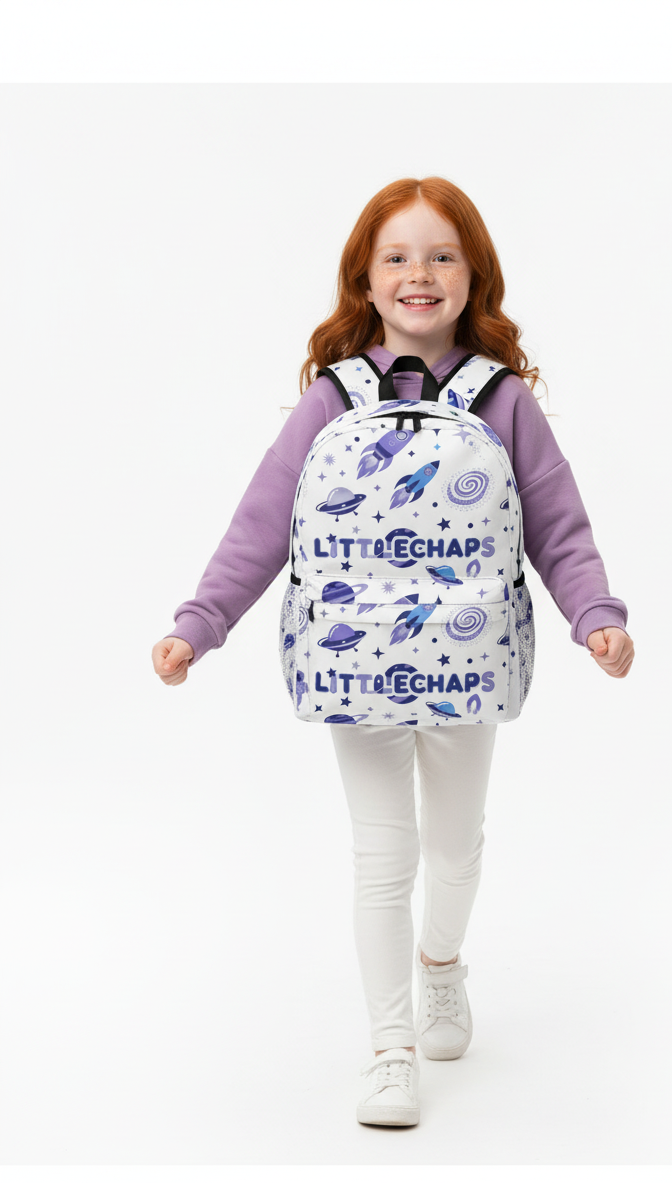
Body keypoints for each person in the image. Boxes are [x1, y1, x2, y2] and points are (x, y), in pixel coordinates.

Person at [151, 177, 635, 1129]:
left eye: (443, 255)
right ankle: (390, 1049)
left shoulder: (501, 399)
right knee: (385, 855)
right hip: (353, 667)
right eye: (398, 257)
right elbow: (263, 522)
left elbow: (556, 521)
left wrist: (594, 614)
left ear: (474, 276)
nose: (421, 274)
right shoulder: (333, 398)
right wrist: (199, 623)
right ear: (364, 282)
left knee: (454, 850)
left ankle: (441, 965)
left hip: (468, 661)